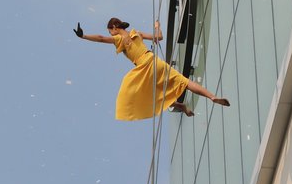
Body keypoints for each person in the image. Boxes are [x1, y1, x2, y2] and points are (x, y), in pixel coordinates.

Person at [73, 17, 230, 119]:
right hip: (155, 61)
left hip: (143, 67)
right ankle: (211, 97)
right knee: (184, 81)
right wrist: (157, 26)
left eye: (110, 31)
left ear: (114, 27)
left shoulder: (119, 39)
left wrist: (83, 36)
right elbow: (159, 37)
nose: (111, 34)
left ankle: (180, 105)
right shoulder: (137, 33)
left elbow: (101, 39)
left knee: (146, 95)